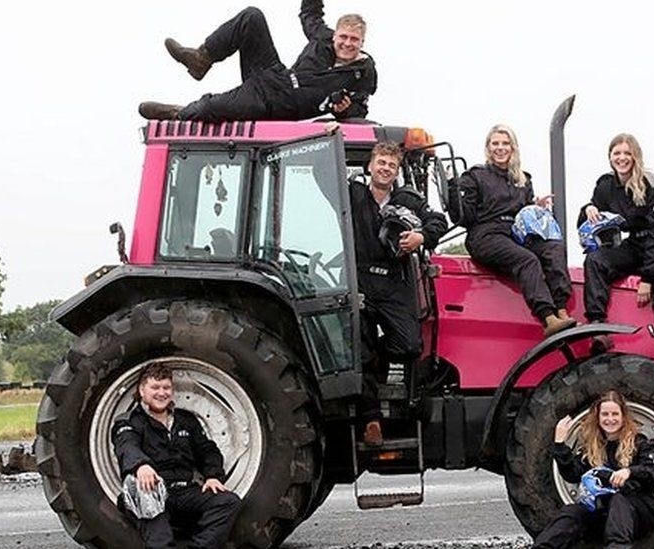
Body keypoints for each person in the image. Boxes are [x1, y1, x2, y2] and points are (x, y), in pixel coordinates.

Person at [346, 136, 448, 445]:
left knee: (409, 345)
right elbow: (317, 178)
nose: (386, 168)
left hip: (393, 279)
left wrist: (420, 237)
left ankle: (376, 364)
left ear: (397, 170)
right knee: (357, 348)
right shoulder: (351, 193)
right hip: (359, 278)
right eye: (381, 163)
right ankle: (371, 418)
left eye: (392, 165)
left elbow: (438, 222)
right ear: (370, 165)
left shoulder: (408, 199)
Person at [138, 0, 377, 122]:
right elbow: (310, 13)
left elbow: (360, 110)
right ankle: (202, 58)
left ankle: (178, 115)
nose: (347, 43)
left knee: (210, 107)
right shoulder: (323, 38)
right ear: (335, 35)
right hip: (276, 74)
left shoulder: (363, 73)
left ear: (362, 42)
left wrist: (343, 110)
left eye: (354, 40)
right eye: (343, 37)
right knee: (252, 17)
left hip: (277, 103)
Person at [579, 133, 654, 373]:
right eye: (616, 153)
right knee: (595, 261)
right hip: (636, 245)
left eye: (627, 153)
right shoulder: (606, 185)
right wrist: (587, 209)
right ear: (610, 157)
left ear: (636, 156)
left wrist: (648, 279)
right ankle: (599, 328)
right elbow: (593, 220)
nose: (621, 158)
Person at [456, 124, 575, 337]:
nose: (500, 148)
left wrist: (534, 206)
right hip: (486, 234)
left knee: (554, 247)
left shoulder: (523, 179)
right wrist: (453, 190)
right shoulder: (475, 176)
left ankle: (561, 309)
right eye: (495, 143)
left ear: (513, 148)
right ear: (488, 148)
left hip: (515, 232)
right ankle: (547, 317)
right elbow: (465, 217)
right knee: (527, 259)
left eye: (505, 143)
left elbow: (524, 215)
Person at [112, 363, 241, 548]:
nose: (162, 393)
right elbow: (126, 445)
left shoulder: (186, 420)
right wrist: (141, 465)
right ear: (142, 390)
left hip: (184, 491)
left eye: (166, 387)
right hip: (151, 491)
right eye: (155, 387)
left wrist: (213, 476)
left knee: (228, 501)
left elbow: (207, 450)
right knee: (148, 507)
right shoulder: (129, 421)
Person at [533, 390, 654, 549]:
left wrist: (629, 472)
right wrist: (560, 444)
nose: (610, 419)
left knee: (619, 500)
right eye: (605, 414)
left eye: (615, 414)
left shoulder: (641, 443)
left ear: (623, 417)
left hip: (640, 510)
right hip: (605, 513)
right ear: (598, 417)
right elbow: (573, 474)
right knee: (572, 512)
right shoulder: (593, 446)